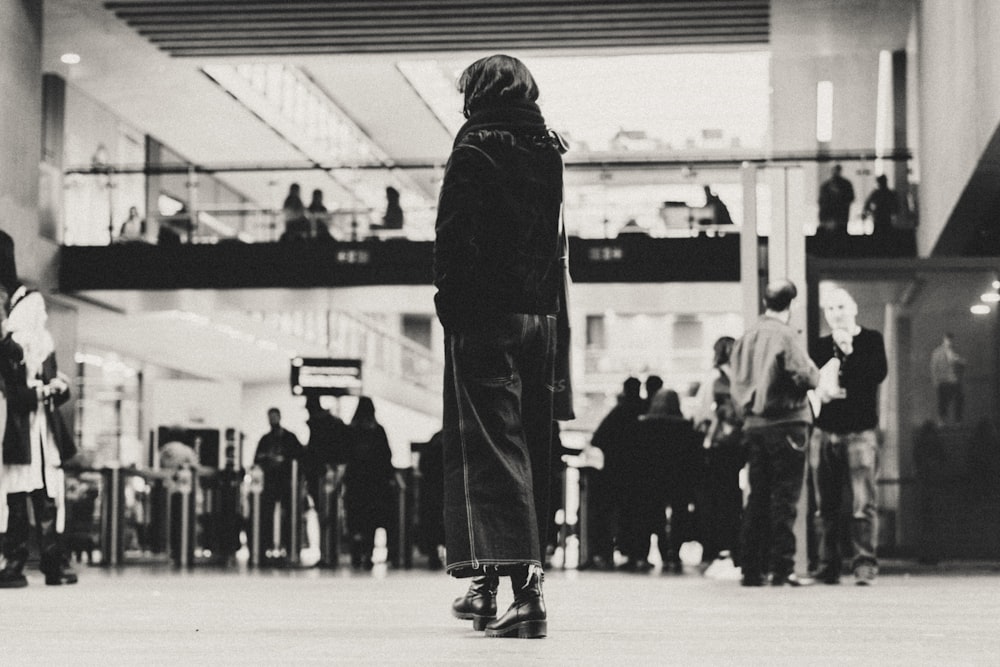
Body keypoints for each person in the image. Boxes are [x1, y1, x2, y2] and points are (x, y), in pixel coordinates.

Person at [434, 54, 566, 639]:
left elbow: (454, 239)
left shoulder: (474, 148)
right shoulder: (547, 149)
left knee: (487, 452)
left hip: (484, 315)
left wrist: (450, 307)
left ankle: (524, 596)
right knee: (529, 446)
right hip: (539, 317)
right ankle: (488, 587)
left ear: (475, 94)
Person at [730, 279, 819, 587]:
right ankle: (783, 568)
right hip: (787, 424)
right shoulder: (786, 335)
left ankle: (751, 569)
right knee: (785, 498)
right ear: (791, 305)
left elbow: (737, 383)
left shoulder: (747, 336)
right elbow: (806, 376)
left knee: (757, 497)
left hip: (754, 426)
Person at [0, 287, 78, 587]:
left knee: (45, 500)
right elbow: (13, 394)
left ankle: (52, 564)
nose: (43, 315)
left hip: (42, 436)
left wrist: (57, 388)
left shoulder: (44, 346)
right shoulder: (10, 348)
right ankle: (16, 564)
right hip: (19, 434)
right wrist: (42, 392)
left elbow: (47, 386)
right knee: (18, 500)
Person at [809, 287, 887, 585]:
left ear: (853, 308)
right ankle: (829, 564)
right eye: (830, 309)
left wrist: (849, 353)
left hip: (859, 432)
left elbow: (877, 373)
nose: (836, 314)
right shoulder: (819, 346)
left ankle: (864, 564)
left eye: (841, 307)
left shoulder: (871, 340)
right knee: (825, 505)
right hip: (824, 431)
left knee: (862, 503)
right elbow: (811, 381)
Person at [628, 389, 700, 573]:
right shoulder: (684, 426)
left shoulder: (643, 425)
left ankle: (644, 555)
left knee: (651, 516)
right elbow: (692, 456)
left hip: (650, 477)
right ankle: (673, 556)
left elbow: (635, 454)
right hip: (677, 477)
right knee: (678, 516)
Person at [693, 336, 745, 571]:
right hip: (739, 444)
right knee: (733, 498)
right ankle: (734, 547)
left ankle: (714, 550)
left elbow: (701, 415)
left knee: (712, 501)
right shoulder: (743, 377)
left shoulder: (714, 378)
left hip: (717, 447)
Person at [584, 377, 644, 571]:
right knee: (632, 515)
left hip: (615, 471)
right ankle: (633, 553)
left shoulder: (618, 412)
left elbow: (598, 439)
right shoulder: (644, 410)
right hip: (638, 473)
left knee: (609, 513)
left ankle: (605, 553)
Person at [343, 396, 395, 570]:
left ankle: (355, 554)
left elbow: (345, 456)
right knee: (371, 522)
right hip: (375, 484)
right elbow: (387, 457)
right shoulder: (378, 431)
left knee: (355, 521)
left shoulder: (350, 431)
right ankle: (368, 554)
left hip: (355, 484)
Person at [252, 407, 302, 565]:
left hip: (286, 483)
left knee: (289, 516)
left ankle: (289, 547)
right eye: (270, 417)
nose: (273, 420)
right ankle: (265, 548)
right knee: (267, 516)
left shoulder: (289, 438)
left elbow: (298, 457)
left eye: (274, 416)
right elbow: (257, 460)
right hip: (271, 483)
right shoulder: (266, 439)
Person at [930, 333, 966, 425]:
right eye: (948, 340)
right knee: (943, 401)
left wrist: (959, 360)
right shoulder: (937, 352)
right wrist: (936, 381)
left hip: (955, 380)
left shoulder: (956, 351)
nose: (950, 342)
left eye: (951, 340)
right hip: (943, 380)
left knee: (959, 399)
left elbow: (964, 364)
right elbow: (933, 367)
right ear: (944, 340)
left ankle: (958, 420)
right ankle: (942, 420)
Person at [817, 164, 855, 242]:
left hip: (839, 216)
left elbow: (821, 202)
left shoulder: (828, 185)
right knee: (834, 236)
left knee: (837, 235)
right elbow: (821, 202)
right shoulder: (827, 186)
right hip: (833, 216)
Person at [861, 174, 899, 252]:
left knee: (881, 235)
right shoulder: (888, 193)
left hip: (880, 217)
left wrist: (866, 213)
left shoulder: (878, 193)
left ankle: (881, 250)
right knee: (884, 235)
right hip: (882, 217)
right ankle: (884, 250)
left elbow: (867, 204)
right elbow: (896, 207)